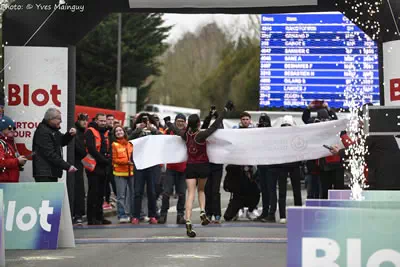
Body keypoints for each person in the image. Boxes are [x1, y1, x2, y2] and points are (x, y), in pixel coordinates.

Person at [165, 100, 234, 238]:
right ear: (198, 124)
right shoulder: (201, 135)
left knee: (190, 194)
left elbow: (176, 130)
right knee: (201, 190)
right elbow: (214, 126)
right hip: (203, 166)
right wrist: (225, 110)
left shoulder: (186, 135)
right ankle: (202, 211)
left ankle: (189, 219)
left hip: (190, 167)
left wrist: (167, 122)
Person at [302, 101, 343, 199]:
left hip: (328, 163)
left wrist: (328, 109)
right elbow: (305, 120)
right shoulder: (315, 126)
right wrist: (308, 109)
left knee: (327, 190)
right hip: (321, 164)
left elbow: (336, 121)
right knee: (323, 190)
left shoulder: (332, 126)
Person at [267, 116, 302, 224]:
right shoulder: (280, 137)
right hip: (284, 166)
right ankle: (283, 215)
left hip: (293, 165)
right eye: (285, 126)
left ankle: (297, 214)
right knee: (283, 192)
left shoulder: (297, 136)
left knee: (295, 191)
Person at [129, 113, 162, 224]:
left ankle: (152, 215)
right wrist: (138, 129)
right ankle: (136, 216)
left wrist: (152, 129)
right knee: (138, 191)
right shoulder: (136, 130)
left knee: (151, 191)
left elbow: (161, 138)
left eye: (147, 120)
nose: (145, 122)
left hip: (152, 163)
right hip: (139, 163)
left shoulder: (154, 130)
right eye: (143, 120)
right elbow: (129, 139)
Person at [33, 108, 77, 182]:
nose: (61, 121)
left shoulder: (52, 130)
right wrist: (67, 166)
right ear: (50, 119)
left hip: (50, 172)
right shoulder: (43, 132)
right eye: (59, 119)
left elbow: (61, 141)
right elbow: (50, 154)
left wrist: (69, 135)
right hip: (45, 173)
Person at [83, 113, 112, 225]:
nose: (103, 123)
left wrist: (107, 159)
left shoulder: (105, 132)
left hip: (103, 166)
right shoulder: (90, 131)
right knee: (93, 192)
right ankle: (91, 218)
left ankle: (99, 216)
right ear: (96, 120)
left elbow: (107, 147)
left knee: (101, 193)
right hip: (94, 166)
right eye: (101, 121)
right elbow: (91, 149)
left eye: (104, 121)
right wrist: (104, 160)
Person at [159, 113, 187, 225]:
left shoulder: (187, 132)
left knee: (182, 193)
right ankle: (163, 214)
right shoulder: (168, 131)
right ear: (175, 121)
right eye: (178, 121)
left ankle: (180, 215)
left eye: (182, 121)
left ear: (185, 122)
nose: (180, 123)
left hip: (183, 168)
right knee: (166, 193)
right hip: (171, 167)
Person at [231, 111, 260, 220]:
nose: (245, 121)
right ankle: (239, 208)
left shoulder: (255, 131)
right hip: (239, 163)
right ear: (240, 121)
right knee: (238, 187)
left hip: (252, 163)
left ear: (250, 120)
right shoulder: (235, 130)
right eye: (243, 119)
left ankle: (252, 209)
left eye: (247, 119)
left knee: (254, 188)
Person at [202, 106, 224, 224]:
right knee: (207, 189)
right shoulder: (206, 132)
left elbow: (220, 124)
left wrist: (217, 115)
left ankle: (217, 214)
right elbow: (203, 127)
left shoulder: (221, 132)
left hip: (217, 164)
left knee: (215, 190)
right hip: (206, 164)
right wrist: (209, 115)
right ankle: (208, 213)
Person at [111, 126, 134, 223]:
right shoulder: (114, 144)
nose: (119, 132)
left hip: (131, 172)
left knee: (131, 194)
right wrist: (127, 161)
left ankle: (131, 214)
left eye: (120, 130)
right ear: (114, 134)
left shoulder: (130, 144)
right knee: (121, 196)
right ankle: (122, 215)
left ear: (124, 132)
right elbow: (114, 159)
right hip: (120, 173)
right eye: (117, 131)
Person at [255, 113, 273, 222]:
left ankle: (270, 212)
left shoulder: (272, 132)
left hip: (270, 165)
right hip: (261, 164)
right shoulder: (257, 132)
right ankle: (265, 212)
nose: (263, 124)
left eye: (264, 121)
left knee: (270, 190)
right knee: (264, 190)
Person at [71, 113, 88, 225]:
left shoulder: (82, 132)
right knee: (77, 188)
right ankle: (77, 214)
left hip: (79, 163)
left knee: (80, 189)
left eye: (86, 120)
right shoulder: (77, 132)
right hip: (76, 162)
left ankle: (79, 213)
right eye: (83, 120)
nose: (85, 122)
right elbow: (79, 149)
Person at [0, 116, 27, 183]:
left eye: (14, 128)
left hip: (11, 182)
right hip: (3, 183)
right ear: (2, 129)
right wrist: (17, 161)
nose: (12, 130)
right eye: (9, 128)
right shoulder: (1, 143)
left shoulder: (10, 143)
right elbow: (1, 162)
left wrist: (19, 162)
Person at [103, 114, 117, 211]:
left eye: (112, 119)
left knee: (115, 183)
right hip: (106, 161)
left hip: (115, 161)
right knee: (106, 183)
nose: (110, 121)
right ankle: (106, 201)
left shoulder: (116, 132)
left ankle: (117, 200)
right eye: (109, 119)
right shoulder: (104, 132)